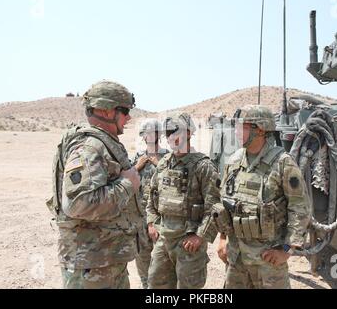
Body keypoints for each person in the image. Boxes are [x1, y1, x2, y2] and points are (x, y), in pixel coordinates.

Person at [47, 80, 141, 289]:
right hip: (91, 266)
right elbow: (78, 203)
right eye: (125, 111)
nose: (128, 117)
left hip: (103, 260)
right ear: (107, 111)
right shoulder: (89, 147)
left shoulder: (102, 143)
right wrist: (127, 184)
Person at [215, 104, 311, 289]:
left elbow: (300, 208)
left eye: (241, 126)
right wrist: (222, 239)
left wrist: (286, 250)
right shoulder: (234, 161)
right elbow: (224, 204)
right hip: (237, 258)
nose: (236, 131)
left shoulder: (283, 164)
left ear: (259, 130)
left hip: (268, 261)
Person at [146, 112, 220, 289]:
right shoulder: (163, 163)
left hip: (188, 241)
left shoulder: (203, 166)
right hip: (163, 238)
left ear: (188, 133)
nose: (172, 137)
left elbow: (215, 206)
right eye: (169, 132)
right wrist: (151, 223)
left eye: (177, 131)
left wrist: (200, 235)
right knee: (156, 285)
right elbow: (152, 197)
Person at [131, 118, 169, 289]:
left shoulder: (167, 156)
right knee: (142, 255)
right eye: (147, 133)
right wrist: (137, 167)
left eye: (154, 133)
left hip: (161, 216)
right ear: (143, 136)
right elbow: (125, 181)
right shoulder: (137, 157)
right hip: (140, 215)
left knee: (163, 257)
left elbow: (173, 180)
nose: (150, 136)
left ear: (159, 135)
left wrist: (158, 164)